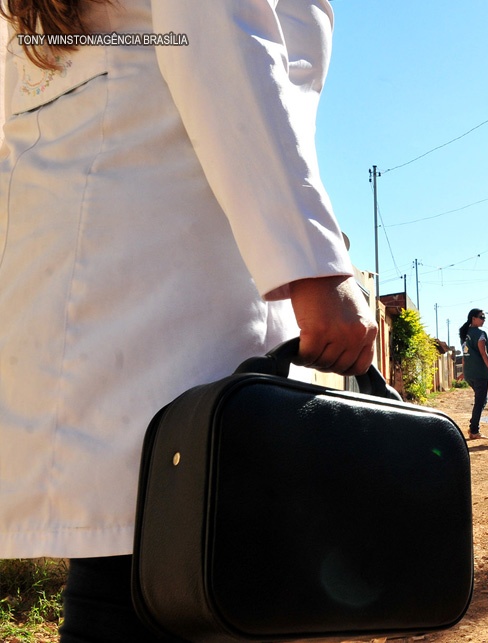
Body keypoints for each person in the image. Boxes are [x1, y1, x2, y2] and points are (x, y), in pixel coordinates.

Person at [0, 1, 377, 640]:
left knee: (134, 565)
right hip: (172, 283)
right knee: (183, 555)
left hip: (74, 281)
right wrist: (316, 268)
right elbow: (225, 43)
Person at [459, 309, 488, 440]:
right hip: (479, 373)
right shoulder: (480, 334)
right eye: (481, 317)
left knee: (481, 400)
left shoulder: (464, 334)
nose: (483, 320)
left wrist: (463, 372)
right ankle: (474, 430)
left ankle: (473, 425)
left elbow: (465, 356)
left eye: (484, 317)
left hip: (469, 374)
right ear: (473, 318)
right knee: (480, 401)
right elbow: (484, 354)